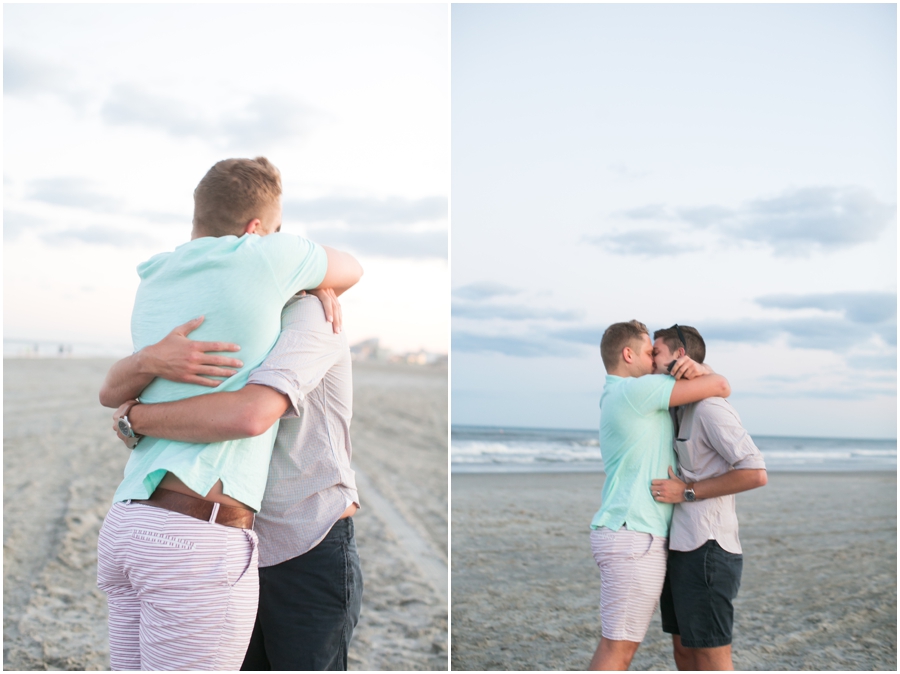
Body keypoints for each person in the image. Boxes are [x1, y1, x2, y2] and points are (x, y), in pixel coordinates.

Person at [96, 157, 363, 671]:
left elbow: (248, 411)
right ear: (256, 232)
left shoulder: (163, 279)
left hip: (303, 537)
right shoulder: (261, 266)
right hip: (210, 536)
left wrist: (138, 417)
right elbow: (248, 415)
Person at [588, 320, 730, 671]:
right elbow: (721, 385)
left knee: (618, 647)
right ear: (628, 354)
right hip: (634, 536)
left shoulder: (619, 394)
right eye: (650, 352)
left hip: (628, 533)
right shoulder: (639, 391)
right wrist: (701, 369)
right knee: (617, 651)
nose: (654, 360)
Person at [649, 325, 767, 671]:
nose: (649, 359)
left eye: (655, 352)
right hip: (680, 548)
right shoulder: (677, 408)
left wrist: (687, 492)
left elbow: (755, 472)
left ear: (679, 357)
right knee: (684, 652)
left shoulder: (710, 409)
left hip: (708, 550)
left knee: (712, 659)